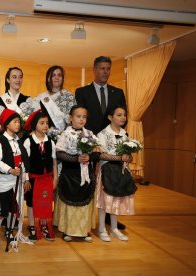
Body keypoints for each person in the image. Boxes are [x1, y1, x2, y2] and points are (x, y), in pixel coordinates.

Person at [75, 56, 127, 230]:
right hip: (90, 144)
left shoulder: (118, 92)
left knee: (111, 183)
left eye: (108, 68)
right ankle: (87, 218)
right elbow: (81, 117)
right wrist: (91, 142)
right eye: (102, 68)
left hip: (112, 147)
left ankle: (110, 218)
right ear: (95, 69)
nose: (105, 72)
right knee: (90, 182)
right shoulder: (82, 92)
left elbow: (122, 119)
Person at [54, 105, 100, 242]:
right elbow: (59, 153)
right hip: (70, 174)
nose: (81, 119)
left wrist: (90, 157)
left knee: (85, 203)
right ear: (70, 118)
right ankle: (67, 230)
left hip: (86, 175)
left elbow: (98, 153)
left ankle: (84, 231)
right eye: (78, 116)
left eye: (84, 117)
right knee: (69, 202)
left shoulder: (90, 134)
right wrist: (76, 159)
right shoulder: (65, 134)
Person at [0, 109, 30, 251]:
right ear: (6, 124)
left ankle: (9, 230)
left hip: (17, 181)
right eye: (15, 121)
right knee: (2, 209)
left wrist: (26, 179)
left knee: (14, 209)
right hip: (5, 181)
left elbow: (24, 162)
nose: (18, 124)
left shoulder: (18, 141)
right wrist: (10, 170)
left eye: (19, 121)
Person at [96, 106, 136, 242]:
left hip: (120, 171)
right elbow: (101, 154)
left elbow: (128, 154)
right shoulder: (102, 134)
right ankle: (101, 228)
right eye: (119, 115)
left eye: (124, 115)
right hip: (107, 171)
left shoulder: (125, 134)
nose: (123, 117)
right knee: (104, 201)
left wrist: (129, 158)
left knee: (116, 200)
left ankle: (114, 228)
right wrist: (119, 158)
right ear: (110, 117)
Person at [23, 110, 57, 242]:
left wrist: (55, 178)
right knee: (32, 203)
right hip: (33, 178)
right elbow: (25, 163)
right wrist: (26, 179)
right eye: (41, 123)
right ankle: (32, 226)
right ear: (34, 124)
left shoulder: (51, 142)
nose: (45, 126)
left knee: (46, 202)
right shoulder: (28, 141)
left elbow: (54, 161)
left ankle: (44, 225)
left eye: (47, 123)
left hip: (47, 178)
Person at [0, 67, 35, 139]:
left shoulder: (28, 100)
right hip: (5, 141)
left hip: (24, 140)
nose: (18, 80)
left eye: (20, 77)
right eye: (14, 77)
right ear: (8, 80)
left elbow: (32, 123)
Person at [34, 65, 76, 131]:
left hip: (62, 135)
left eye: (59, 75)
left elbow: (73, 120)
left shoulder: (69, 97)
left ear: (62, 78)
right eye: (53, 75)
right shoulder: (40, 97)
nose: (57, 78)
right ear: (48, 78)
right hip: (42, 135)